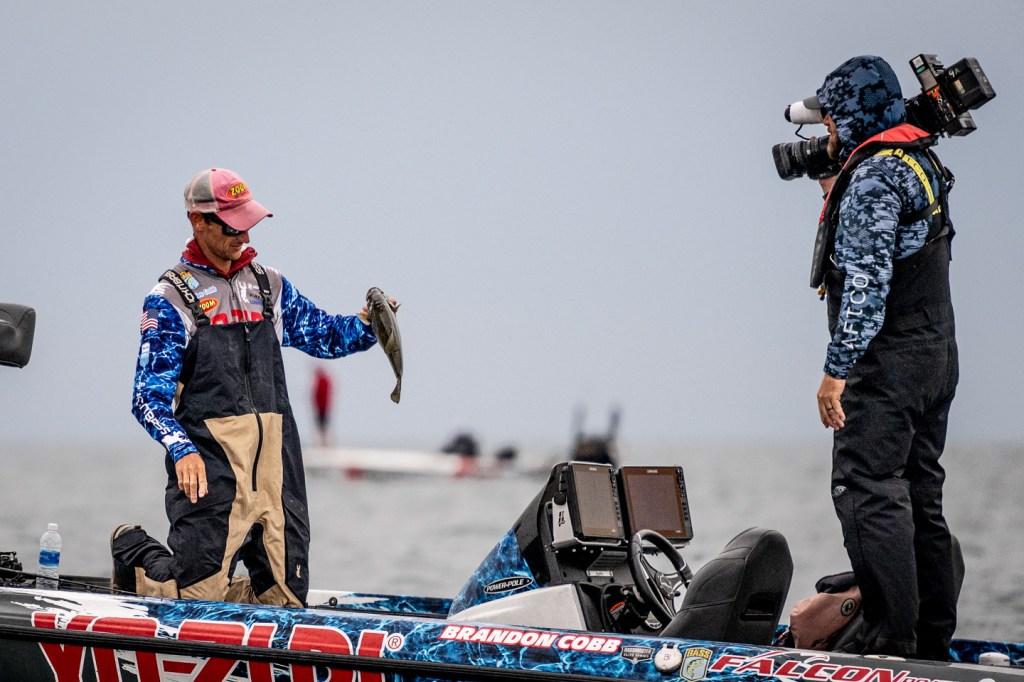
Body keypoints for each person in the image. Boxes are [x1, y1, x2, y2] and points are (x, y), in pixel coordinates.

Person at [115, 167, 380, 607]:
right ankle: (133, 551)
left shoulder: (269, 285)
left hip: (277, 470)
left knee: (287, 601)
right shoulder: (169, 300)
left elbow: (325, 335)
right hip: (212, 470)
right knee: (194, 601)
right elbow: (147, 397)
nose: (244, 236)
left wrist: (370, 325)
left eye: (248, 223)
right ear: (197, 221)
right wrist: (181, 449)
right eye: (232, 226)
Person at [801, 56, 959, 659]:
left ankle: (891, 640)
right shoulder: (919, 161)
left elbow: (866, 287)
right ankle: (931, 642)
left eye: (832, 116)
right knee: (919, 493)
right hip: (935, 356)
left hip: (887, 365)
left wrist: (835, 372)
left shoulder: (870, 180)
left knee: (867, 487)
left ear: (851, 114)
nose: (827, 127)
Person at [312, 366, 334, 446]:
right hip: (321, 407)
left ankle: (324, 442)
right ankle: (324, 442)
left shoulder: (322, 381)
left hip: (322, 407)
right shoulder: (322, 381)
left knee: (322, 425)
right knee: (322, 425)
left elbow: (319, 395)